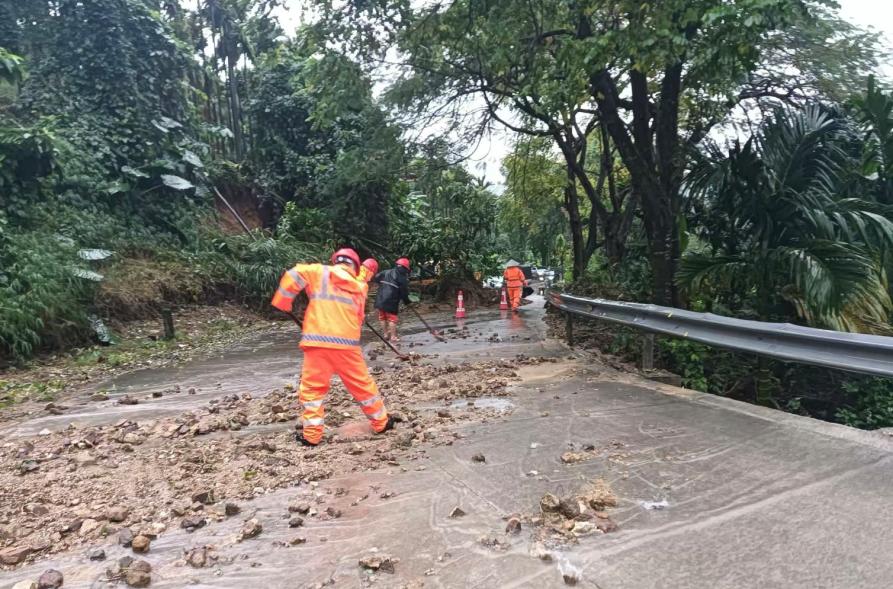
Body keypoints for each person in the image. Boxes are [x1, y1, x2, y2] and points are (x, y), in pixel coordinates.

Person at [271, 248, 394, 446]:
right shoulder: (359, 287)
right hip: (347, 346)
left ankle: (311, 436)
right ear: (354, 267)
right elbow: (360, 316)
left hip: (317, 344)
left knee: (312, 391)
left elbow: (293, 274)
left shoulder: (320, 272)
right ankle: (381, 422)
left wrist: (283, 301)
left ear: (336, 261)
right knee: (363, 386)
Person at [372, 257, 412, 342]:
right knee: (392, 319)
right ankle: (393, 337)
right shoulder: (402, 277)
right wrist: (407, 301)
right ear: (405, 268)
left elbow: (376, 278)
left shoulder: (386, 272)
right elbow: (404, 292)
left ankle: (385, 334)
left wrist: (382, 284)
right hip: (391, 300)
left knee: (382, 317)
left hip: (380, 297)